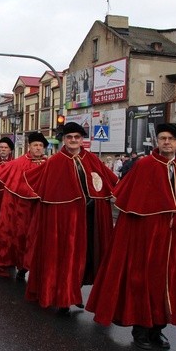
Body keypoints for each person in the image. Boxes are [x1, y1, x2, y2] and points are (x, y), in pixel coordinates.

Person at [86, 123, 176, 350]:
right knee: (145, 283)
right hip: (148, 239)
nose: (166, 142)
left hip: (175, 242)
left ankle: (158, 330)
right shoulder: (145, 166)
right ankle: (141, 329)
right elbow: (131, 204)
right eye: (163, 138)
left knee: (169, 286)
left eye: (171, 139)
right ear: (158, 142)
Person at [23, 122, 117, 314]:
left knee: (87, 257)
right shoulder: (55, 162)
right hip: (65, 221)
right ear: (63, 140)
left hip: (90, 217)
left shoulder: (92, 159)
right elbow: (46, 193)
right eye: (69, 137)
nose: (73, 140)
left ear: (82, 140)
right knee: (66, 259)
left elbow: (111, 182)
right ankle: (64, 298)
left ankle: (75, 292)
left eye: (77, 137)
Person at [0, 132, 48, 279]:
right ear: (29, 146)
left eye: (41, 146)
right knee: (20, 237)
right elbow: (14, 187)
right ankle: (19, 265)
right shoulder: (19, 163)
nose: (38, 148)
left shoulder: (48, 164)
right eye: (35, 145)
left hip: (41, 209)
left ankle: (33, 268)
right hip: (22, 209)